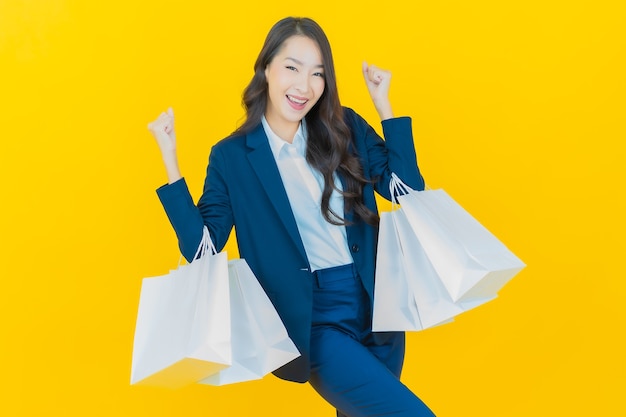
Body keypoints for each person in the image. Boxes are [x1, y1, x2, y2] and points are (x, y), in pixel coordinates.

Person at [148, 16, 436, 417]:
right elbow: (204, 251)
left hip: (378, 305)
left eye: (318, 73)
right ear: (266, 68)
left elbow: (407, 189)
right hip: (314, 319)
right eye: (292, 68)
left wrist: (384, 105)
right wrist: (170, 161)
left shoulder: (345, 127)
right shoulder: (232, 157)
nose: (304, 86)